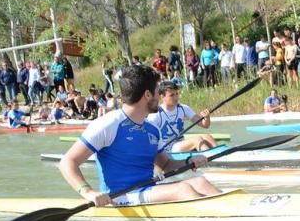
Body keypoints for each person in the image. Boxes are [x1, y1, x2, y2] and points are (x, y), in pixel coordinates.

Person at [59, 65, 217, 208]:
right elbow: (67, 162)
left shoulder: (152, 129)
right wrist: (88, 192)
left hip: (148, 189)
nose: (159, 96)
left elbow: (166, 164)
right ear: (148, 95)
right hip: (118, 197)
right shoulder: (108, 125)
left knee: (200, 182)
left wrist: (189, 161)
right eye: (157, 91)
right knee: (183, 189)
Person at [147, 79, 216, 153]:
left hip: (181, 144)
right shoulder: (156, 114)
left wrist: (207, 118)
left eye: (177, 94)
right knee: (197, 140)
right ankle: (211, 158)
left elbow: (205, 125)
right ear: (162, 97)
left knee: (207, 137)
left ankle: (220, 155)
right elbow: (148, 137)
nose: (176, 97)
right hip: (167, 148)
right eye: (172, 95)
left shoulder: (183, 108)